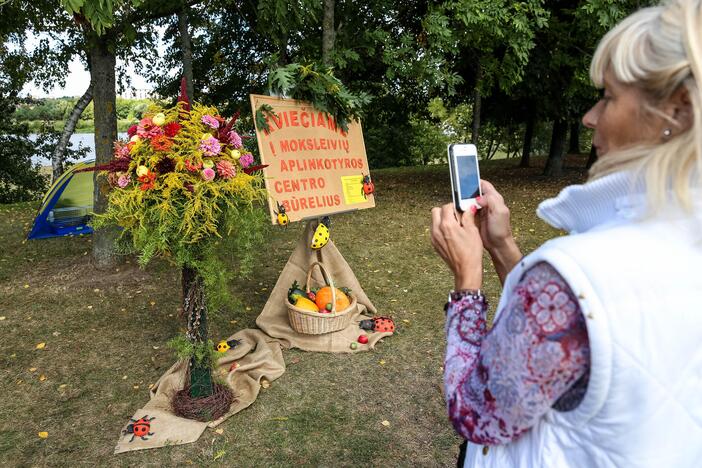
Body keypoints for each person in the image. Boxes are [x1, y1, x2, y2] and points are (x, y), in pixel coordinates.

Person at [430, 0, 702, 466]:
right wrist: (501, 245)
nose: (590, 118)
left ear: (676, 111)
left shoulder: (579, 272)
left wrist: (467, 280)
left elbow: (474, 411)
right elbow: (574, 330)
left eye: (610, 97)